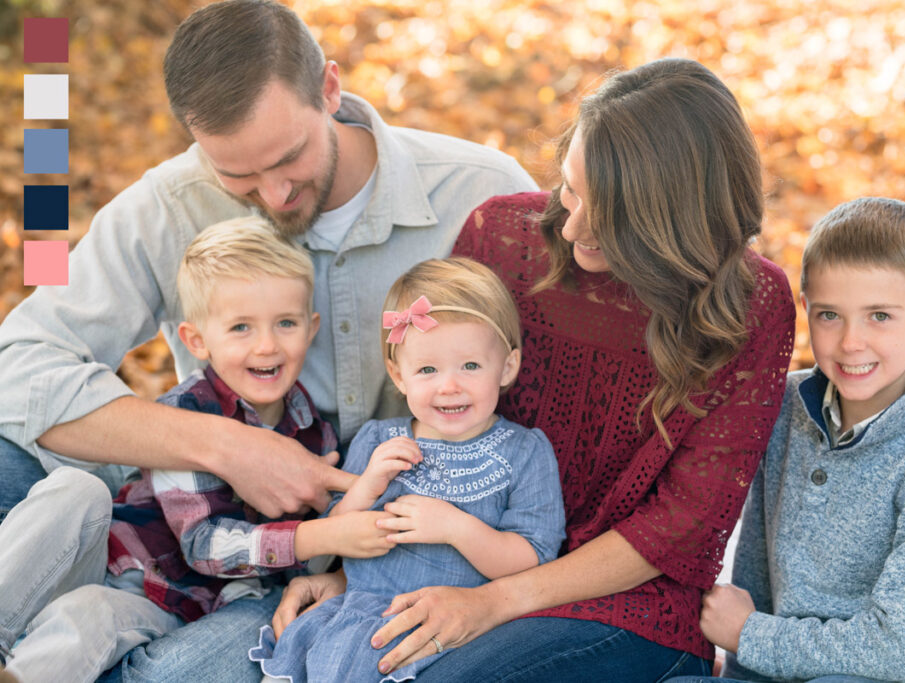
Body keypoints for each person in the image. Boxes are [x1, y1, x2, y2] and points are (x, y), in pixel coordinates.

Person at [0, 0, 536, 678]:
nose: (276, 194)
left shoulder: (483, 194)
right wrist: (227, 443)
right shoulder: (170, 202)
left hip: (331, 563)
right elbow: (18, 366)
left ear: (330, 89)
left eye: (289, 158)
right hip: (200, 514)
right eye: (238, 179)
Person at [273, 58, 798, 681]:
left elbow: (680, 526)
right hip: (456, 568)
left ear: (674, 221)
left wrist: (492, 604)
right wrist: (357, 578)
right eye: (570, 188)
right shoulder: (503, 237)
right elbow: (440, 433)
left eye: (607, 215)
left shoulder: (748, 306)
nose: (571, 225)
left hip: (624, 610)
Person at [0, 217, 366, 680]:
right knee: (74, 488)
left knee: (87, 616)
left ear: (311, 328)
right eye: (241, 328)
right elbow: (204, 544)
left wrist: (344, 519)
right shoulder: (188, 413)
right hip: (107, 557)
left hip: (169, 602)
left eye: (286, 323)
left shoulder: (315, 434)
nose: (268, 345)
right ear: (197, 340)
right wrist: (319, 537)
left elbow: (304, 567)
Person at [689, 198, 905, 682]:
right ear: (806, 308)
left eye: (880, 317)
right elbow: (756, 571)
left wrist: (750, 635)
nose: (851, 342)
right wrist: (745, 666)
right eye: (830, 315)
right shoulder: (786, 407)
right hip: (787, 661)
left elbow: (892, 650)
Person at [249, 257, 565, 682]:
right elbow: (326, 550)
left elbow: (534, 560)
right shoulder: (379, 441)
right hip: (359, 621)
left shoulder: (525, 451)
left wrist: (456, 527)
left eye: (470, 366)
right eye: (427, 369)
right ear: (399, 375)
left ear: (507, 367)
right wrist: (366, 487)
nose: (448, 385)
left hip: (461, 629)